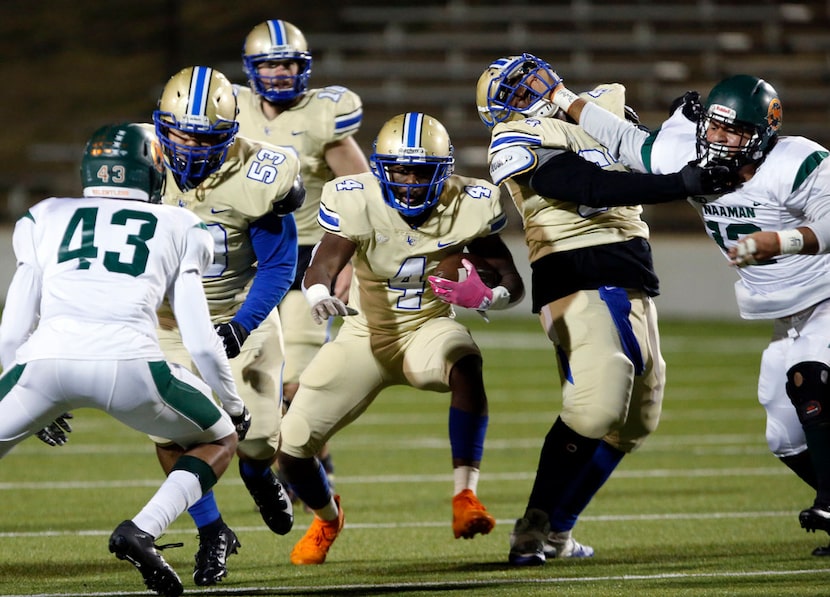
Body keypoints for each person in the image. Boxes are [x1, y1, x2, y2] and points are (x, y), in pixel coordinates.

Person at [506, 61, 830, 555]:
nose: (719, 138)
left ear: (763, 135)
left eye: (735, 131)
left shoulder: (799, 161)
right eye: (714, 125)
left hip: (826, 294)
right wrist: (563, 96)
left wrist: (782, 240)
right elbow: (620, 138)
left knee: (811, 379)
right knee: (783, 436)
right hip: (788, 312)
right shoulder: (684, 151)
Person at [475, 53, 713, 566]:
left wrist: (684, 134)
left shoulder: (600, 109)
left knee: (636, 421)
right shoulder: (512, 139)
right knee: (597, 401)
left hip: (632, 266)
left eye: (533, 79)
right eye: (515, 93)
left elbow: (650, 156)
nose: (532, 92)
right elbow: (588, 186)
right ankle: (531, 528)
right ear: (499, 112)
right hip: (572, 269)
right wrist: (679, 184)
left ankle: (558, 533)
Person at [0, 123, 251, 597]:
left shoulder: (45, 215)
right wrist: (234, 406)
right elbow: (199, 340)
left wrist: (29, 401)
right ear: (154, 171)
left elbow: (12, 331)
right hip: (132, 367)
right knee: (219, 439)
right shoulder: (179, 224)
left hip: (44, 364)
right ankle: (141, 530)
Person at [275, 112, 525, 566]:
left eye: (421, 171)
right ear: (380, 167)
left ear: (443, 171)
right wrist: (316, 293)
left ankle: (465, 495)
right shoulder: (357, 198)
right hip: (364, 334)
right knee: (290, 451)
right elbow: (325, 261)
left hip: (427, 328)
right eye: (400, 169)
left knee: (465, 360)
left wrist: (489, 295)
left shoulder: (471, 201)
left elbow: (513, 282)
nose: (409, 181)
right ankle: (329, 518)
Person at [151, 65, 305, 585]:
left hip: (238, 318)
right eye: (181, 133)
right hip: (167, 323)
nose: (190, 148)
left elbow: (280, 265)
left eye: (205, 137)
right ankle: (213, 529)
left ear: (230, 135)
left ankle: (260, 474)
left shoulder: (259, 174)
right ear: (161, 127)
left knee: (258, 441)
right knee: (173, 433)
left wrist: (242, 324)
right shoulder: (139, 165)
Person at [235, 18, 372, 499]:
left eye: (288, 62)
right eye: (269, 64)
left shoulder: (323, 117)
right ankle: (309, 462)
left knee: (297, 377)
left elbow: (362, 191)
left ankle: (300, 468)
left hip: (307, 258)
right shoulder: (229, 109)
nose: (279, 73)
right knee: (250, 374)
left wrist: (349, 261)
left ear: (304, 65)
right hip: (244, 259)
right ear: (252, 69)